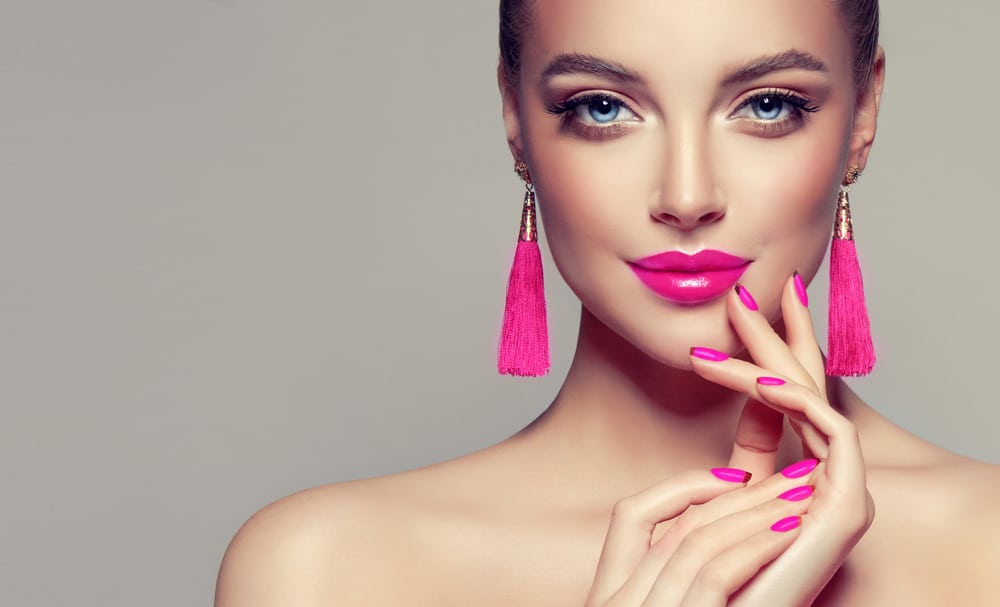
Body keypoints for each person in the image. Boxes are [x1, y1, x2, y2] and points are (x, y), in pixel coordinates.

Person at [215, 0, 1000, 604]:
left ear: (862, 116)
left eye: (767, 105)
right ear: (516, 120)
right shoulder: (326, 570)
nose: (687, 196)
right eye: (601, 107)